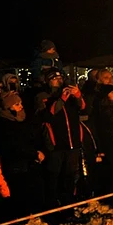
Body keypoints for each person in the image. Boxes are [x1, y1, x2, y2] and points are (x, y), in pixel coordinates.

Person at [0, 92, 44, 225]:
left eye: (20, 103)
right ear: (8, 107)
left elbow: (30, 139)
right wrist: (33, 153)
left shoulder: (24, 120)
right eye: (17, 104)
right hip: (12, 166)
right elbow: (13, 146)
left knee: (27, 196)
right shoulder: (3, 124)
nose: (21, 106)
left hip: (27, 165)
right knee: (13, 199)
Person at [41, 68, 86, 206]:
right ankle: (53, 205)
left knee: (70, 176)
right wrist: (61, 99)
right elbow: (50, 113)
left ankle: (68, 204)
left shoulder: (70, 96)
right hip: (56, 145)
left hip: (73, 143)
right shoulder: (44, 96)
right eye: (54, 78)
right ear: (48, 81)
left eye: (60, 78)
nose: (59, 80)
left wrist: (78, 95)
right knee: (54, 177)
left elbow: (83, 107)